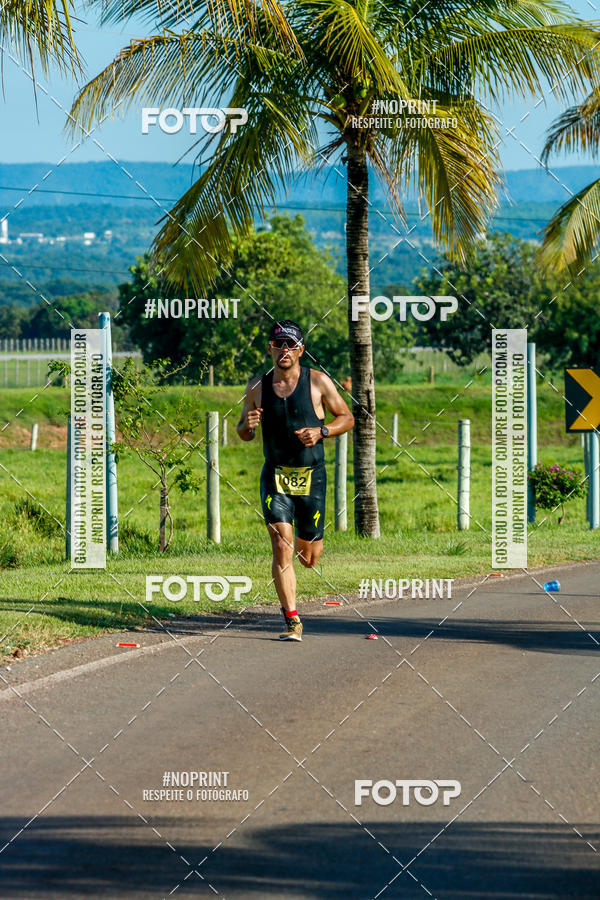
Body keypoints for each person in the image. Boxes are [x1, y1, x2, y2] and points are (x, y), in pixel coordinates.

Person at [237, 320, 354, 641]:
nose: (284, 350)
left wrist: (322, 431)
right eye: (279, 344)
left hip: (312, 479)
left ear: (301, 350)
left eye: (290, 345)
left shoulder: (318, 382)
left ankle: (311, 544)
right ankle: (292, 620)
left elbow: (347, 417)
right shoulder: (256, 388)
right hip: (275, 477)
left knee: (308, 557)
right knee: (280, 545)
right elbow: (244, 433)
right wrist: (246, 425)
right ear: (270, 349)